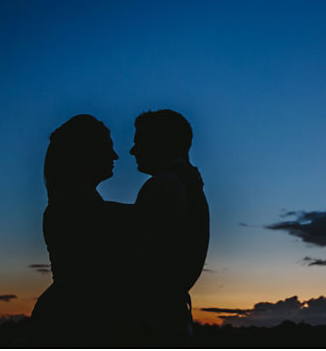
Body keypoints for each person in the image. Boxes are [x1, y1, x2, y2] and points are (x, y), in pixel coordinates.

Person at [110, 109, 210, 346]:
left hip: (152, 327)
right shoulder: (189, 185)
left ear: (163, 141)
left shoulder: (163, 185)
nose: (133, 150)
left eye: (140, 141)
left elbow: (135, 257)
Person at [30, 114, 122, 347]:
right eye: (108, 148)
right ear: (86, 153)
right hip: (72, 325)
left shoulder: (78, 204)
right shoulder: (75, 207)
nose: (115, 156)